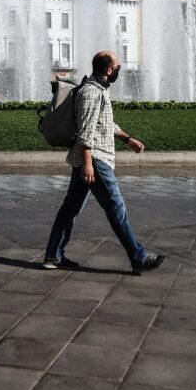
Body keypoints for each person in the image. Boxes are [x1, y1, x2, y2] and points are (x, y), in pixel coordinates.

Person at [44, 50, 165, 274]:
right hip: (95, 160)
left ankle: (53, 255)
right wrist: (88, 163)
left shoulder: (98, 90)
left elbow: (105, 123)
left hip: (91, 159)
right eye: (117, 67)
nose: (119, 70)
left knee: (69, 209)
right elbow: (85, 131)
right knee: (116, 208)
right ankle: (138, 256)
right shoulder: (91, 92)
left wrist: (127, 139)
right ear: (109, 70)